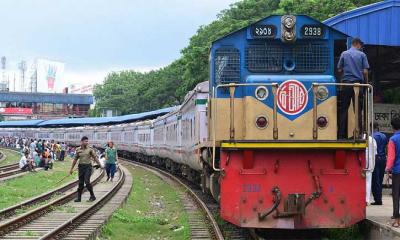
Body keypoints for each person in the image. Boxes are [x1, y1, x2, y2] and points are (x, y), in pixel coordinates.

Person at [337, 38, 370, 139]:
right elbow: (365, 71)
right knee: (358, 110)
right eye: (361, 45)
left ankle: (341, 134)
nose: (361, 47)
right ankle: (358, 133)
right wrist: (366, 83)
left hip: (347, 84)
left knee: (343, 109)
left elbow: (339, 69)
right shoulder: (362, 55)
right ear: (357, 44)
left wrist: (344, 75)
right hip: (358, 85)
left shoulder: (344, 54)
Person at [69, 136, 102, 202]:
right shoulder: (78, 149)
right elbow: (75, 160)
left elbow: (95, 158)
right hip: (81, 167)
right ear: (81, 142)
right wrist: (71, 169)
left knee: (87, 182)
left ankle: (92, 196)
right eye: (85, 141)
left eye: (87, 141)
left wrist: (100, 165)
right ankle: (79, 198)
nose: (87, 142)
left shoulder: (90, 149)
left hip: (88, 167)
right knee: (80, 183)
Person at [386, 117, 400, 227]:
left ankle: (397, 220)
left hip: (397, 172)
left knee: (396, 195)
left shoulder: (393, 140)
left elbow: (391, 157)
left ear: (393, 127)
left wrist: (387, 170)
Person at [371, 122, 388, 205]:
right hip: (383, 159)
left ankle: (378, 199)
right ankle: (379, 198)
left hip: (376, 158)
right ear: (378, 127)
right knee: (380, 179)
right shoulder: (384, 136)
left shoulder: (371, 137)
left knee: (375, 180)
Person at [365, 134, 377, 205]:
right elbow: (375, 153)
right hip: (370, 163)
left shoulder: (361, 138)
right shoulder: (372, 140)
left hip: (361, 162)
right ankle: (367, 200)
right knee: (368, 182)